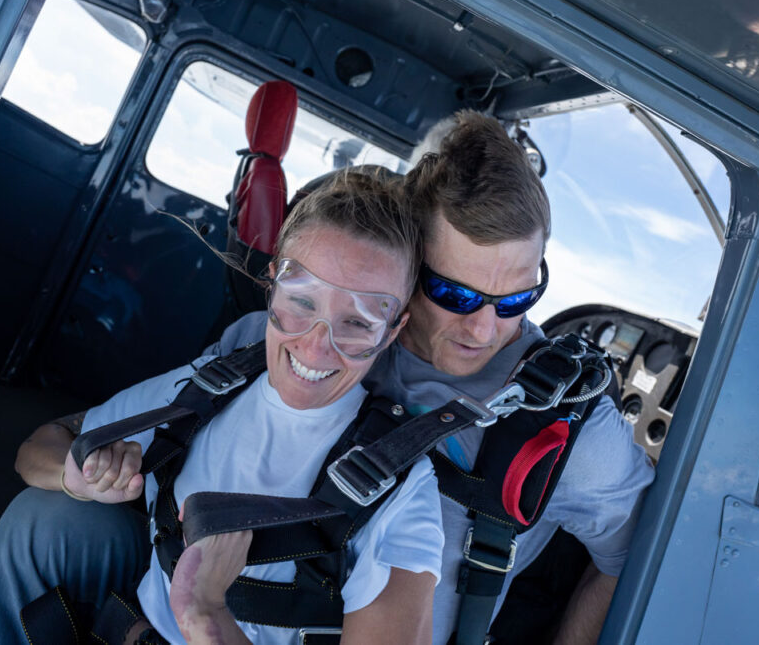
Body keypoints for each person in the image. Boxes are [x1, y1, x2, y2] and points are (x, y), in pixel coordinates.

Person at [0, 170, 442, 644]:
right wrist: (81, 476)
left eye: (357, 324)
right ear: (271, 286)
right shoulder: (212, 389)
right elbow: (39, 447)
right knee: (43, 513)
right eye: (302, 303)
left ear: (393, 330)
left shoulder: (399, 491)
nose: (315, 346)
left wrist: (204, 610)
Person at [211, 111, 655, 643]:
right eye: (457, 295)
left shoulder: (566, 430)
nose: (485, 328)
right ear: (412, 262)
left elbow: (637, 563)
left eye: (516, 299)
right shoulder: (307, 335)